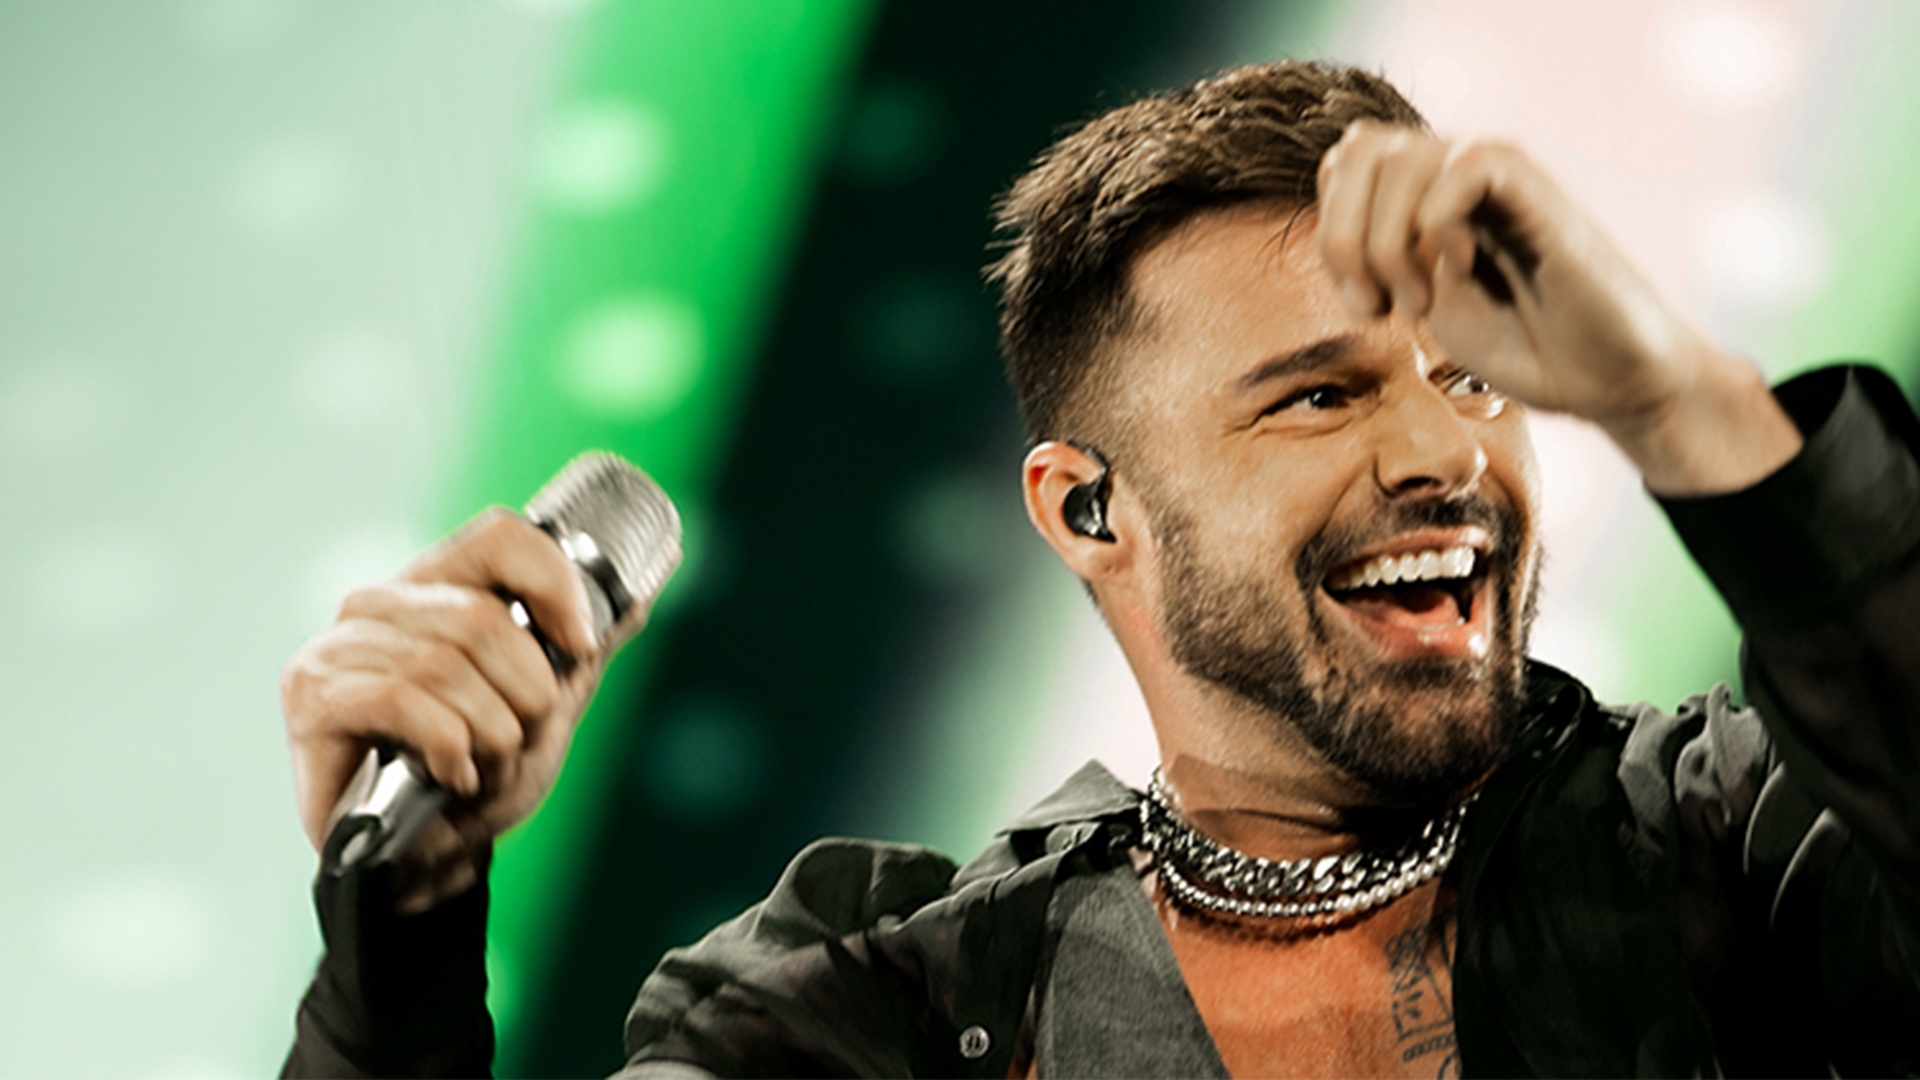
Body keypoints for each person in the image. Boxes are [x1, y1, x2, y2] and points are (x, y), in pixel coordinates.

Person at [281, 60, 1920, 1077]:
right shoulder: (878, 1000)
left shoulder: (1736, 836)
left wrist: (1678, 407)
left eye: (1480, 377)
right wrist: (400, 953)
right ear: (1085, 512)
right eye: (1322, 393)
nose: (1446, 450)